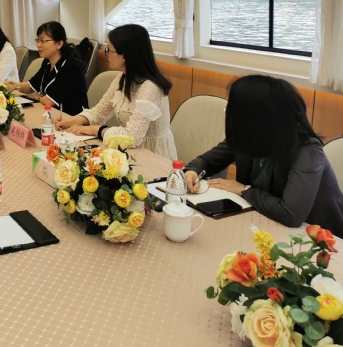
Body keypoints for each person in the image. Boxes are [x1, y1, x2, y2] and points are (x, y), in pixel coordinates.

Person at [184, 75, 343, 235]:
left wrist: (245, 190)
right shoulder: (249, 136)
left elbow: (291, 214)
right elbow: (208, 161)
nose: (227, 113)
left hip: (317, 237)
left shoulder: (307, 150)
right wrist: (192, 171)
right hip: (263, 220)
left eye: (231, 109)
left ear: (254, 118)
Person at [56, 24, 177, 160]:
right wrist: (73, 121)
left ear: (125, 55)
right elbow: (99, 112)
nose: (106, 54)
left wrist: (96, 130)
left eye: (109, 50)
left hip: (152, 156)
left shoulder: (151, 87)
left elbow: (132, 137)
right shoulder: (122, 77)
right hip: (127, 151)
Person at [6, 21, 88, 116]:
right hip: (51, 114)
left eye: (43, 41)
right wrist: (15, 85)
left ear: (59, 44)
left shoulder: (71, 67)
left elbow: (48, 101)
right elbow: (31, 86)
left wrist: (40, 98)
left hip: (71, 118)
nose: (38, 45)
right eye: (38, 40)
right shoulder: (47, 62)